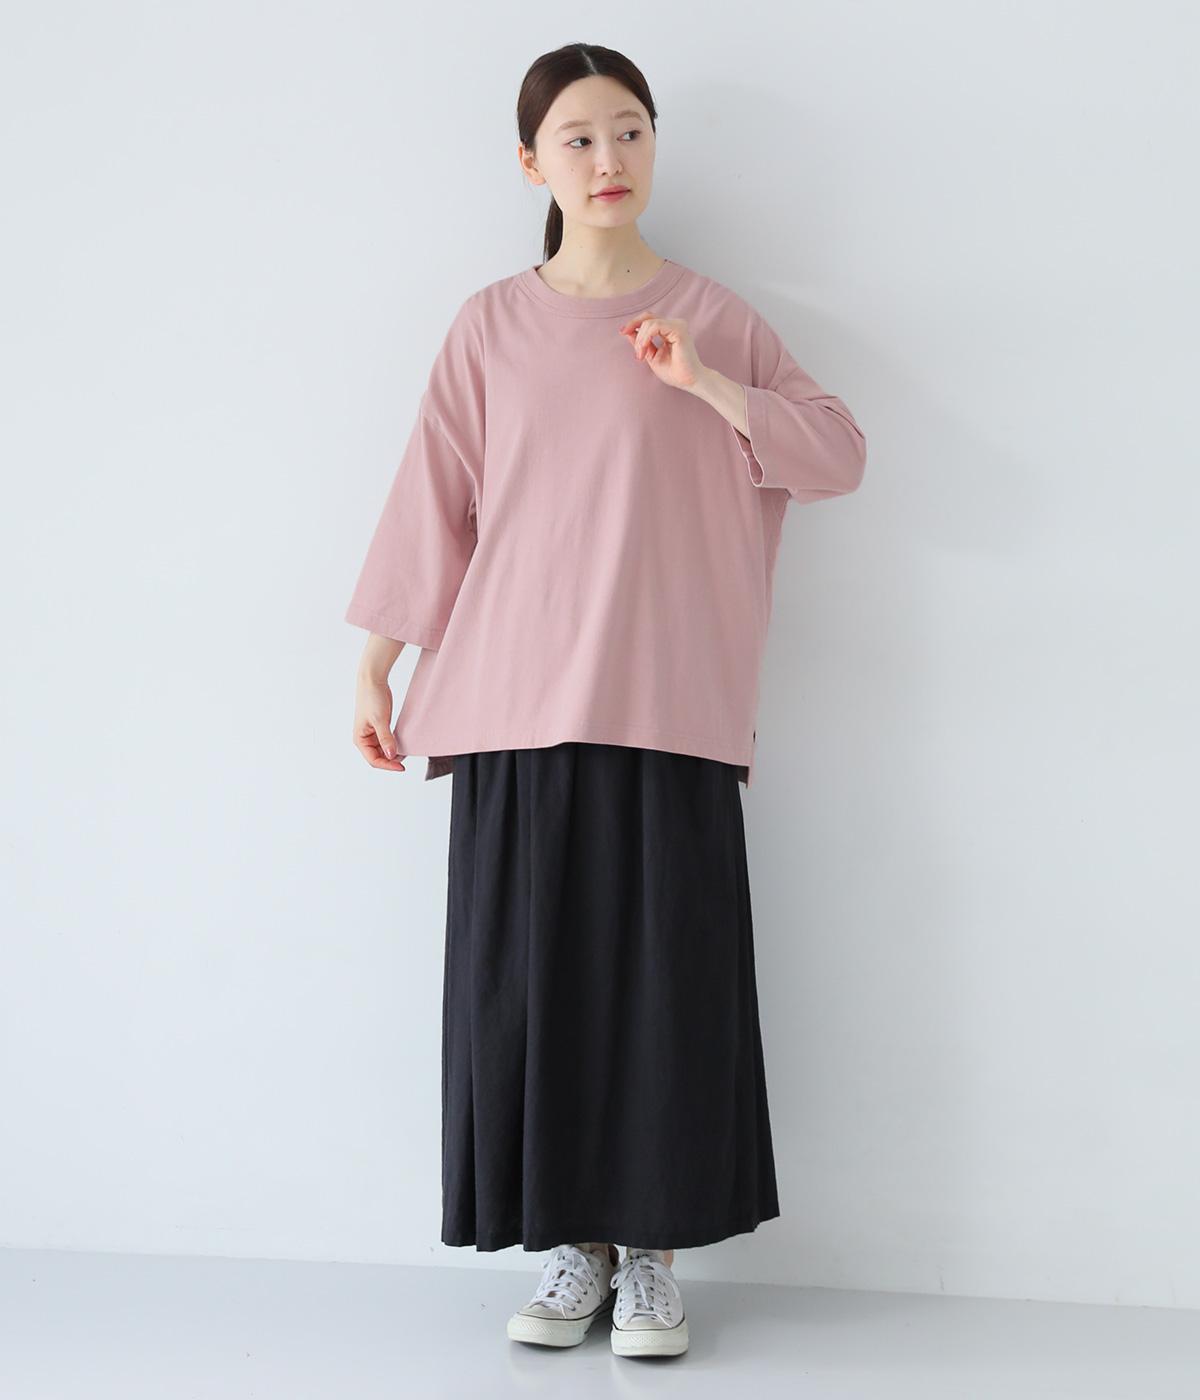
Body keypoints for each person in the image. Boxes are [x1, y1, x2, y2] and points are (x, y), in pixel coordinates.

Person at [345, 42, 867, 1360]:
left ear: (654, 145)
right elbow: (434, 501)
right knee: (533, 991)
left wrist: (706, 384)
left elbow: (837, 456)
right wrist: (378, 662)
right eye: (578, 138)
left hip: (668, 703)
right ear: (533, 163)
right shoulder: (489, 326)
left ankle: (653, 1260)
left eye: (630, 131)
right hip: (512, 707)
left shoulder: (714, 319)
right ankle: (572, 1248)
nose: (609, 158)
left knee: (665, 991)